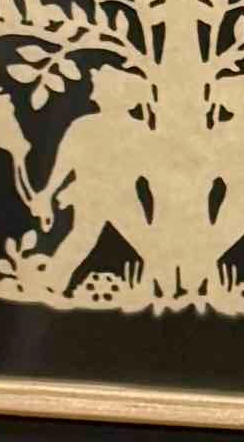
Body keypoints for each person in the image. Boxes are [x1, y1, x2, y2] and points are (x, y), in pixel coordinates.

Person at [47, 66, 160, 290]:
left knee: (144, 243)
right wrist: (48, 192)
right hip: (93, 196)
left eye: (98, 90)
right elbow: (65, 162)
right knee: (85, 239)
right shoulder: (85, 126)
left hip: (119, 196)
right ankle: (52, 282)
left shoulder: (134, 130)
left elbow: (148, 168)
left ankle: (156, 286)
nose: (92, 95)